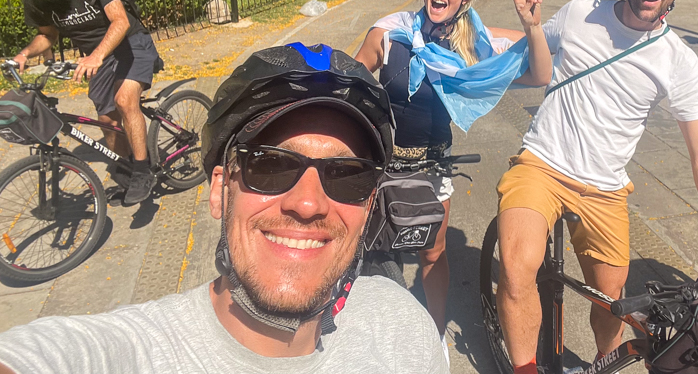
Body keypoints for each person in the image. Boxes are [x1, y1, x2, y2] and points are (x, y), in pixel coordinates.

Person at [0, 42, 448, 374]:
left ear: (369, 205)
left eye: (347, 175)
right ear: (219, 190)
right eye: (270, 165)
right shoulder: (130, 352)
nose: (308, 203)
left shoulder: (403, 324)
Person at [495, 0, 698, 374]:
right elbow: (530, 47)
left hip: (604, 189)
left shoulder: (678, 60)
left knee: (611, 303)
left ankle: (603, 362)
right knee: (517, 267)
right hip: (541, 164)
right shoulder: (583, 11)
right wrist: (465, 34)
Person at [355, 0, 552, 357]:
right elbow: (352, 87)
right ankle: (368, 327)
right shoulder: (390, 34)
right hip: (383, 165)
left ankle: (435, 334)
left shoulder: (474, 47)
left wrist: (532, 26)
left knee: (432, 253)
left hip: (433, 167)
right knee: (369, 249)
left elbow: (538, 73)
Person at [10, 0, 161, 204]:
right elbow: (47, 35)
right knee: (107, 120)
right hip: (97, 56)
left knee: (125, 102)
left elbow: (120, 21)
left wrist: (97, 56)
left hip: (130, 42)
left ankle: (142, 170)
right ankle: (125, 167)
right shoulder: (36, 0)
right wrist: (23, 54)